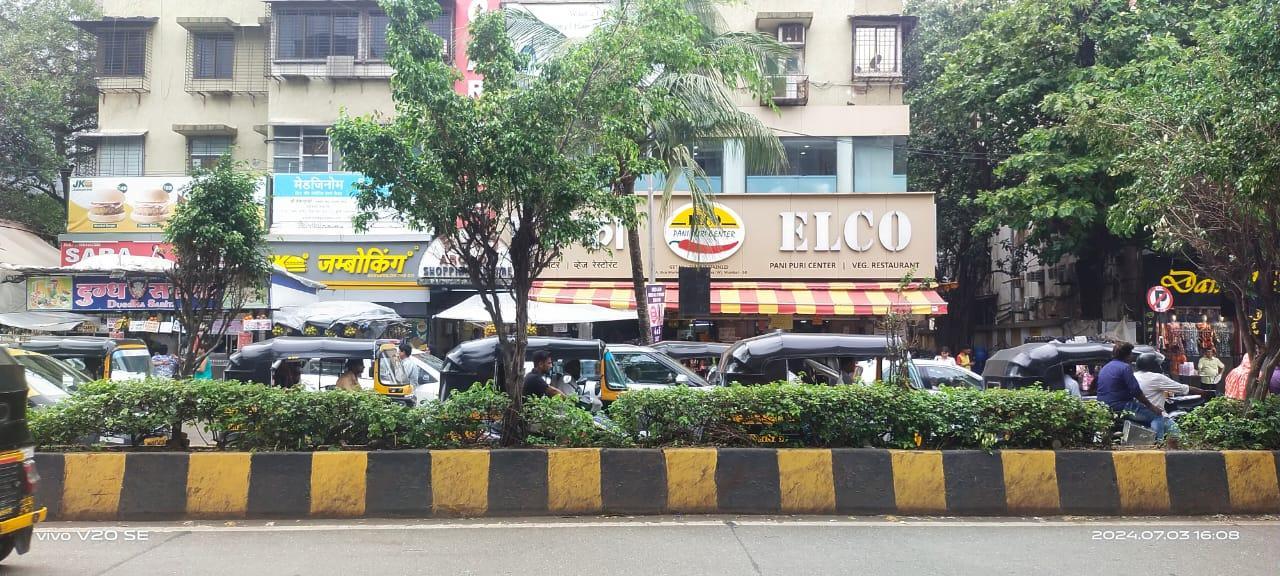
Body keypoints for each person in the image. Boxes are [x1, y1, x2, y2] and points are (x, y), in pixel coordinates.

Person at [1134, 352, 1212, 443]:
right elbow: (1183, 388)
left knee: (1172, 431)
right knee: (1178, 438)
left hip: (1138, 413)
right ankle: (1160, 443)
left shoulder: (1134, 375)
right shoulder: (1156, 377)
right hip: (1154, 413)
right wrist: (1204, 392)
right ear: (1152, 365)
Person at [1096, 341, 1167, 434]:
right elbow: (1136, 391)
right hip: (1121, 406)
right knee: (1157, 416)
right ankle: (1158, 444)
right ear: (1128, 355)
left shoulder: (1105, 367)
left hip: (1103, 406)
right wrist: (1152, 407)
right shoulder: (1125, 367)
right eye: (1131, 354)